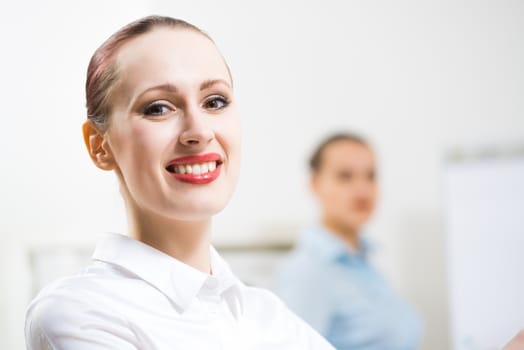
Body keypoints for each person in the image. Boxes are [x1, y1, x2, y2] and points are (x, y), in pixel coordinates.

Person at [24, 15, 334, 350]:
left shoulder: (267, 315)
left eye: (215, 101)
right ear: (100, 145)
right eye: (158, 108)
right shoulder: (81, 313)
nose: (199, 132)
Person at [276, 133, 423, 349]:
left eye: (370, 176)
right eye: (345, 176)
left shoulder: (364, 263)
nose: (362, 190)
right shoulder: (308, 272)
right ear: (315, 184)